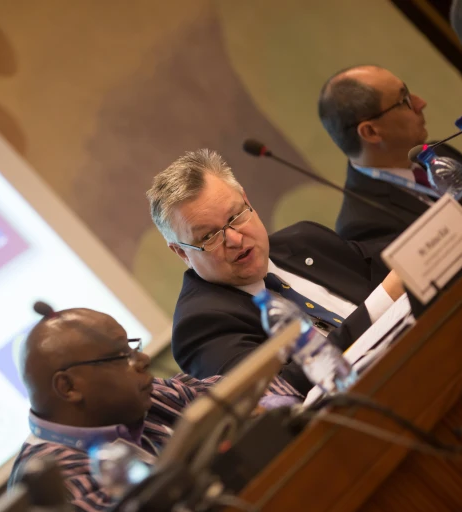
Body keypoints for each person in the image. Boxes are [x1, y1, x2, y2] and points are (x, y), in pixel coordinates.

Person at [8, 303, 301, 512]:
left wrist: (268, 413)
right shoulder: (55, 484)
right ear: (69, 386)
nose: (143, 359)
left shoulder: (146, 397)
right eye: (122, 356)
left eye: (133, 347)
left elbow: (259, 389)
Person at [146, 149, 406, 395]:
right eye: (210, 236)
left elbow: (395, 265)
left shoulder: (305, 238)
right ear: (181, 252)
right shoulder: (200, 326)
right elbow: (276, 393)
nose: (235, 239)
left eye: (235, 216)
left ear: (247, 201)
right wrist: (380, 305)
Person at [318, 65, 462, 243]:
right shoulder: (362, 224)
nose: (420, 103)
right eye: (404, 100)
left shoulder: (436, 151)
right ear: (371, 132)